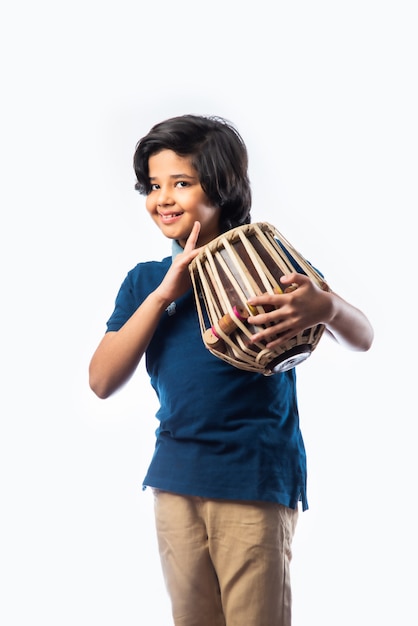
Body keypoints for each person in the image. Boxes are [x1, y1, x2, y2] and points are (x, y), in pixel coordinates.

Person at [89, 114, 374, 626]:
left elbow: (363, 336)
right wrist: (162, 296)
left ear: (221, 187)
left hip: (255, 478)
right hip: (175, 479)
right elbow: (102, 381)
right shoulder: (145, 282)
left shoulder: (266, 260)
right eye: (154, 186)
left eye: (181, 182)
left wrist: (326, 309)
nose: (164, 198)